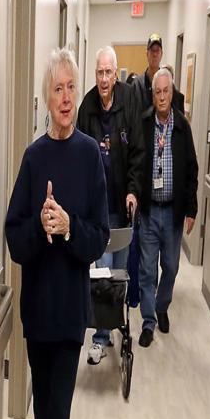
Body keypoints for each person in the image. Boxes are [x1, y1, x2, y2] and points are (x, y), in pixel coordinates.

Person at [4, 48, 109, 419]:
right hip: (37, 314)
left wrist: (68, 228)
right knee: (43, 414)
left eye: (72, 87)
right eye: (58, 89)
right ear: (46, 98)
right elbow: (14, 238)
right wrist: (40, 227)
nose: (66, 98)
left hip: (69, 317)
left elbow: (99, 239)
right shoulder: (33, 158)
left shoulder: (90, 156)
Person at [76, 46, 145, 364]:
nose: (103, 79)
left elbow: (138, 152)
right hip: (98, 208)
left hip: (121, 203)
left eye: (108, 73)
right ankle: (101, 337)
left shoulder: (129, 100)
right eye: (99, 73)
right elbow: (79, 154)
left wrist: (133, 191)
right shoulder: (87, 106)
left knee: (119, 271)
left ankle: (118, 323)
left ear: (116, 74)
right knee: (102, 272)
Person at [127, 67, 198, 347]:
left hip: (172, 212)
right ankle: (148, 321)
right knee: (146, 270)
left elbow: (191, 170)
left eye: (166, 91)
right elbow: (134, 163)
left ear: (172, 93)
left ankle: (162, 305)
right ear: (153, 95)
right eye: (157, 92)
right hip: (149, 210)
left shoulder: (182, 127)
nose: (162, 97)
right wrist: (133, 193)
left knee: (170, 266)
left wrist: (191, 209)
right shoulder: (144, 123)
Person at [130, 34, 184, 114]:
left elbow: (176, 113)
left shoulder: (168, 84)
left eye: (157, 51)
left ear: (161, 54)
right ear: (147, 54)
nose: (154, 54)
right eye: (152, 50)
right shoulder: (137, 85)